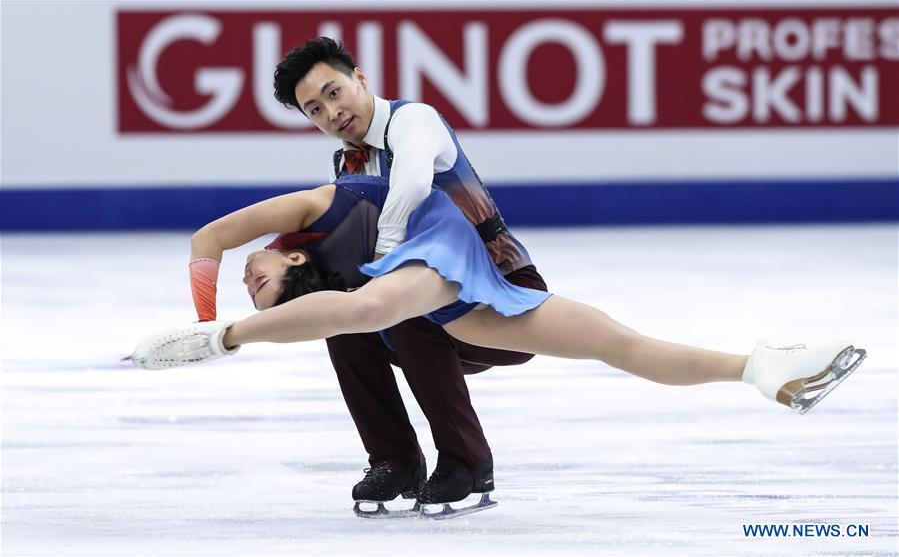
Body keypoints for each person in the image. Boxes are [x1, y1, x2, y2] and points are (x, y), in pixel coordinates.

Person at [131, 173, 867, 451]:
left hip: (453, 270)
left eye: (250, 276)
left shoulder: (324, 206)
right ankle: (760, 368)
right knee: (623, 347)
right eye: (245, 291)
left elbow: (210, 239)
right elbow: (336, 312)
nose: (245, 275)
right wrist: (228, 331)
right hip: (467, 316)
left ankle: (459, 464)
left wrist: (211, 328)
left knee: (375, 307)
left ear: (290, 254)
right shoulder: (332, 292)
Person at [264, 36, 546, 512]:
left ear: (359, 79)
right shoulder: (347, 164)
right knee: (341, 316)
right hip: (431, 308)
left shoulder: (413, 119)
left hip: (503, 295)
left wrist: (383, 264)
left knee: (406, 309)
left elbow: (413, 183)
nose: (330, 113)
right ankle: (394, 460)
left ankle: (467, 463)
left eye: (333, 93)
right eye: (314, 109)